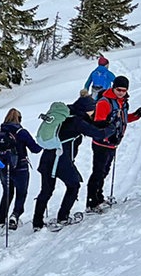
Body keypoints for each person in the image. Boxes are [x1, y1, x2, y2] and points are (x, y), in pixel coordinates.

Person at [32, 95, 107, 228]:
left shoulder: (65, 116)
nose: (93, 113)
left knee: (46, 191)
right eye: (92, 110)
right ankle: (63, 217)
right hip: (62, 161)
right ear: (86, 109)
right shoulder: (77, 122)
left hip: (47, 159)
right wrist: (112, 127)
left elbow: (90, 126)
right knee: (73, 186)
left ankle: (37, 223)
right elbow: (99, 133)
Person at [87, 76, 141, 211]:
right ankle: (92, 203)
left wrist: (138, 114)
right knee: (98, 173)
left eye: (124, 90)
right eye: (118, 89)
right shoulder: (104, 102)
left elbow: (123, 119)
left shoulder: (122, 102)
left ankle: (99, 197)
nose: (121, 92)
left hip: (112, 144)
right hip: (101, 144)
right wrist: (107, 137)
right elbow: (99, 123)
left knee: (104, 172)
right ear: (113, 87)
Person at [0, 108, 42, 230]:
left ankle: (1, 219)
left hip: (3, 167)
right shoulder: (21, 132)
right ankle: (15, 215)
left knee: (7, 193)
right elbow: (35, 149)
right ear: (19, 119)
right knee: (21, 193)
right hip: (20, 168)